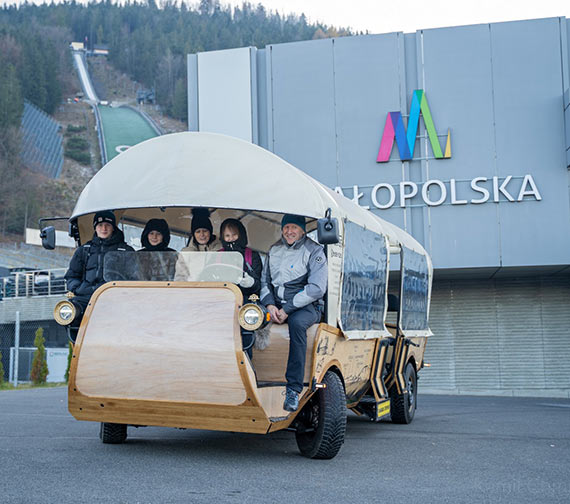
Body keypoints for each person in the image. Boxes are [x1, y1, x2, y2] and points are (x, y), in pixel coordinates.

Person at [260, 214, 327, 412]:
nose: (289, 231)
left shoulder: (315, 251)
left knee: (297, 325)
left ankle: (293, 388)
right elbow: (265, 282)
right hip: (276, 304)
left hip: (306, 307)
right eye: (286, 227)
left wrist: (287, 309)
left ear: (303, 230)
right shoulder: (274, 249)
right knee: (248, 319)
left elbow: (316, 289)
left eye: (294, 228)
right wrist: (270, 305)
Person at [64, 211, 134, 331]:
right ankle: (78, 344)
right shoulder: (84, 251)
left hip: (114, 298)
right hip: (86, 297)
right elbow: (71, 276)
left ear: (113, 227)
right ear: (95, 227)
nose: (104, 228)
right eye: (100, 225)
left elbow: (134, 277)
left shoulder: (125, 251)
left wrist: (122, 292)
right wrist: (78, 288)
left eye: (107, 225)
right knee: (69, 310)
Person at [219, 218, 262, 299]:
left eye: (234, 235)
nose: (231, 239)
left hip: (246, 299)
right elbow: (206, 276)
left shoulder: (252, 255)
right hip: (221, 298)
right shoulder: (217, 256)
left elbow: (260, 284)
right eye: (227, 236)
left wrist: (252, 283)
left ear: (241, 235)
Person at [174, 208, 221, 280]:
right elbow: (180, 277)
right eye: (198, 231)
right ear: (193, 234)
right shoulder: (186, 253)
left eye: (205, 231)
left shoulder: (221, 250)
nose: (202, 235)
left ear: (210, 232)